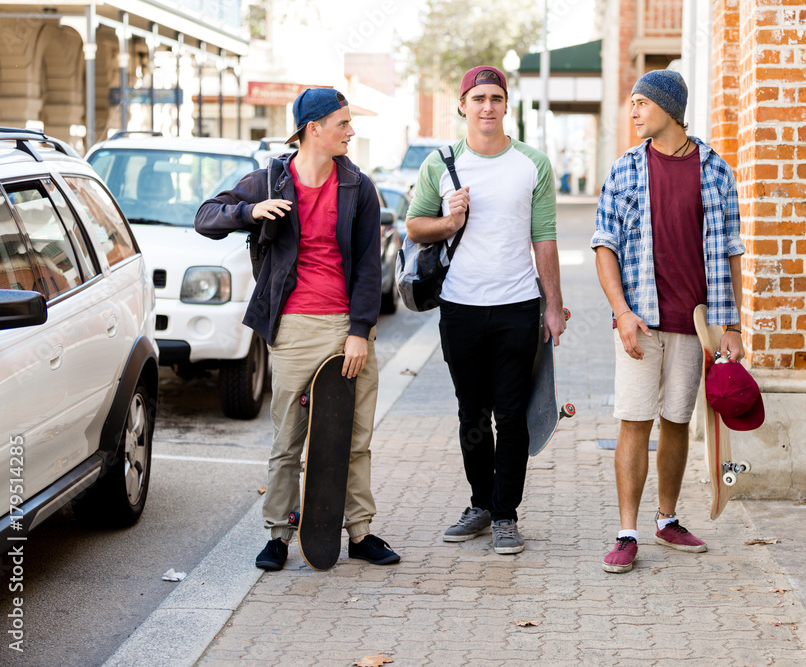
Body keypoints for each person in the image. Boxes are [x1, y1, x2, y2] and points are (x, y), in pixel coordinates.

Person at [195, 87, 400, 571]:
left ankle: (360, 530)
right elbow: (206, 217)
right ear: (314, 129)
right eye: (343, 124)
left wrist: (359, 330)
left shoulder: (358, 187)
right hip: (292, 327)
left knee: (352, 436)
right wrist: (250, 212)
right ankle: (279, 534)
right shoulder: (270, 181)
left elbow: (370, 267)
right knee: (288, 436)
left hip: (347, 329)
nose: (351, 132)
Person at [405, 66, 565, 555]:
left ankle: (505, 515)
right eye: (478, 99)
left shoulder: (532, 164)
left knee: (511, 415)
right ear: (463, 105)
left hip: (518, 305)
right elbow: (414, 227)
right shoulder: (442, 162)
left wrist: (553, 307)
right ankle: (480, 503)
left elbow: (545, 239)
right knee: (471, 411)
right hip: (461, 307)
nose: (487, 107)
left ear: (506, 105)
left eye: (496, 98)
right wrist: (450, 221)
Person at [591, 70, 745, 573]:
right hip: (640, 320)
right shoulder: (625, 170)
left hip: (693, 322)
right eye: (631, 102)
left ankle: (667, 519)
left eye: (641, 103)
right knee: (634, 420)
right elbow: (604, 247)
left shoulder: (716, 171)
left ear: (669, 109)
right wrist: (622, 314)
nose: (632, 112)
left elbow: (731, 253)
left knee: (676, 421)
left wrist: (733, 328)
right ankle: (627, 531)